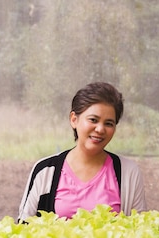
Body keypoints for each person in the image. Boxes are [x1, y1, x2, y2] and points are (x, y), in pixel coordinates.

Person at [18, 82, 147, 223]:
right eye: (93, 120)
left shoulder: (128, 172)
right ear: (74, 120)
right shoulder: (45, 170)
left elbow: (139, 228)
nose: (100, 129)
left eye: (109, 123)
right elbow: (24, 227)